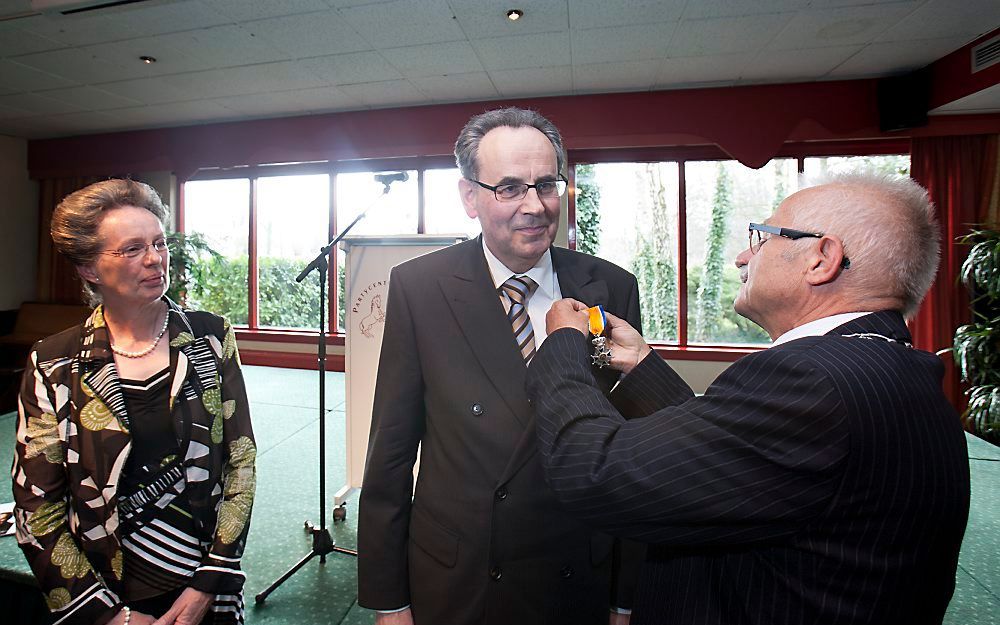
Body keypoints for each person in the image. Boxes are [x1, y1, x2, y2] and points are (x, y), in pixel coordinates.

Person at [527, 172, 971, 625]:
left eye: (761, 239)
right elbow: (735, 462)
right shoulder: (886, 368)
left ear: (822, 259)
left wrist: (563, 343)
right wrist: (643, 365)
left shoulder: (812, 382)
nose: (742, 257)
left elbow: (594, 472)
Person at [357, 107, 643, 625]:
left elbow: (632, 456)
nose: (533, 206)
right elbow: (391, 453)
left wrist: (625, 597)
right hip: (462, 576)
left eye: (546, 185)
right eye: (509, 188)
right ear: (470, 196)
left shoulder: (612, 287)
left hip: (576, 571)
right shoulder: (420, 288)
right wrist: (389, 599)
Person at [12, 179, 256, 625]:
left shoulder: (210, 336)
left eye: (159, 243)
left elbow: (240, 461)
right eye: (131, 249)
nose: (154, 259)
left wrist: (211, 577)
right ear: (89, 269)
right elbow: (36, 505)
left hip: (204, 581)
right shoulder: (53, 363)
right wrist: (108, 615)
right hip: (105, 585)